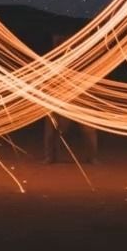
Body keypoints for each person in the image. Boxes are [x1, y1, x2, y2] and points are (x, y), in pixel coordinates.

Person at [42, 33, 99, 164]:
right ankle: (50, 156)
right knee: (53, 128)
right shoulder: (57, 61)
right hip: (62, 96)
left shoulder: (83, 58)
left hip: (82, 96)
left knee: (89, 130)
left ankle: (92, 157)